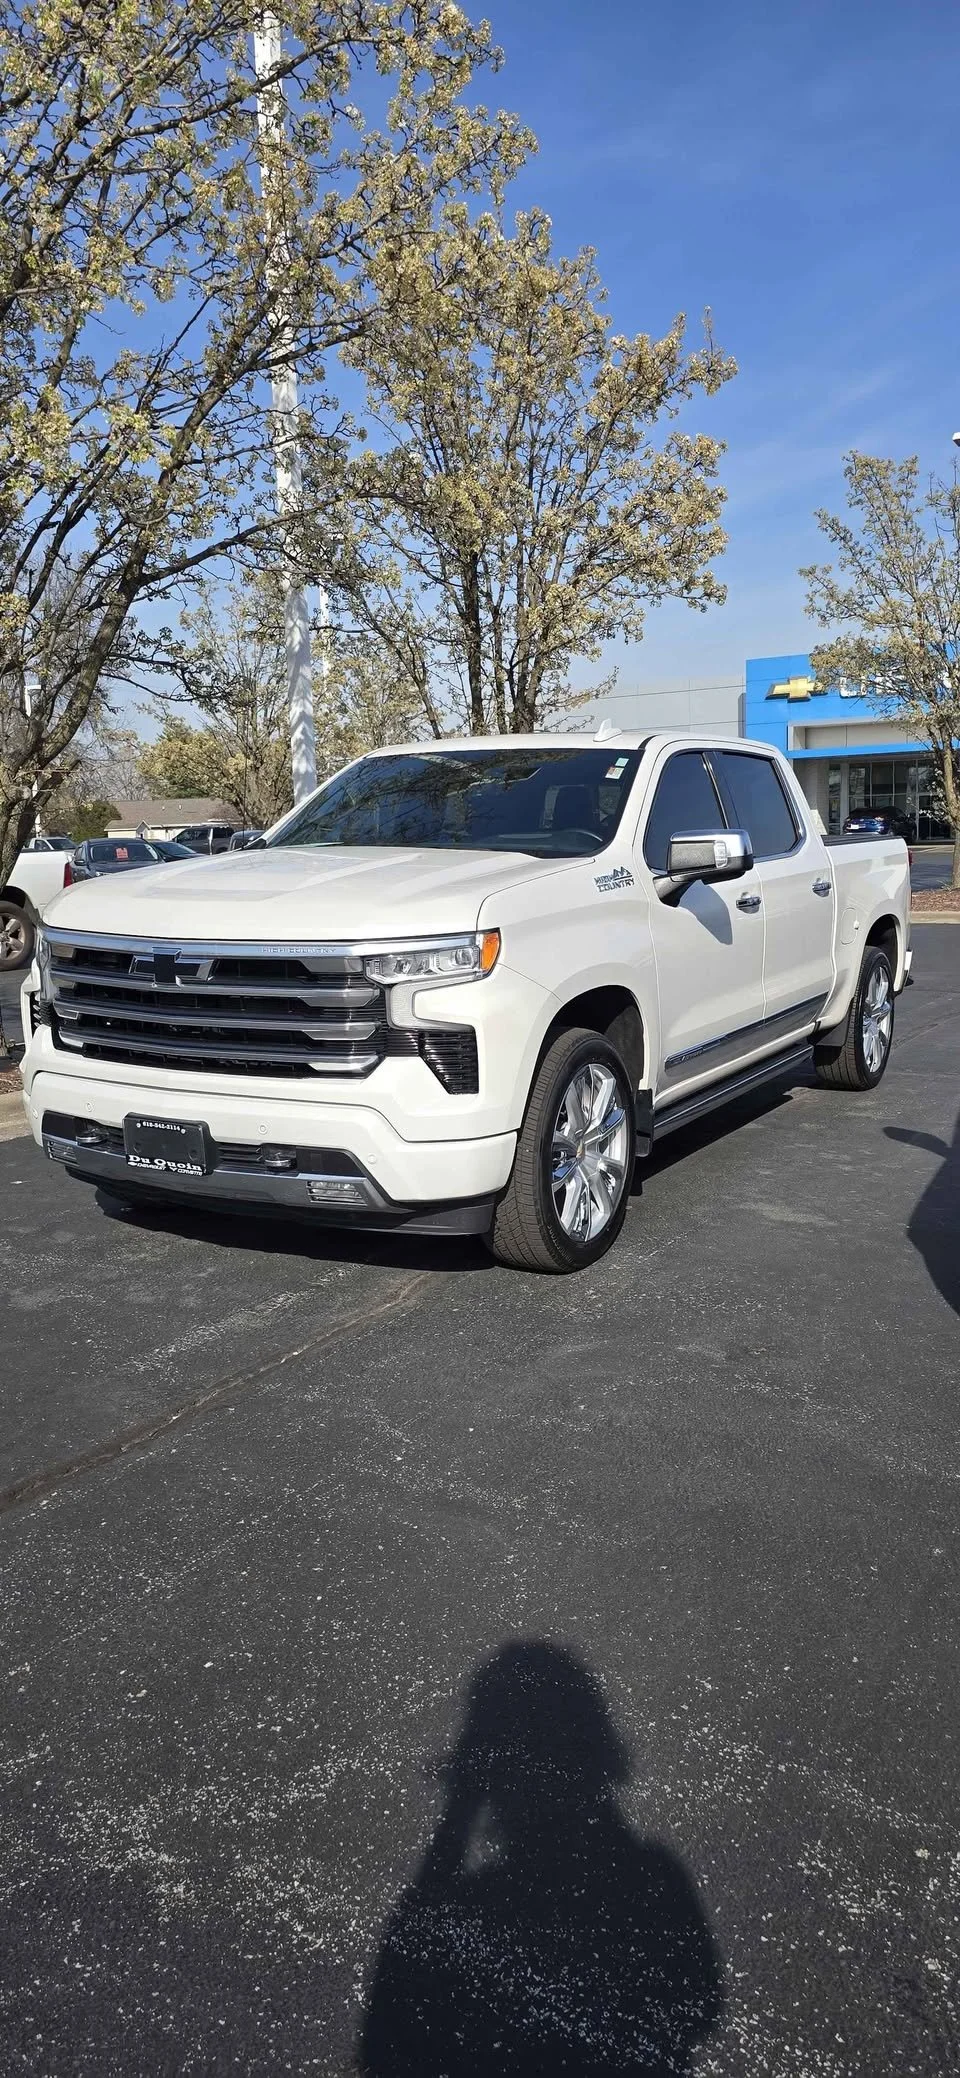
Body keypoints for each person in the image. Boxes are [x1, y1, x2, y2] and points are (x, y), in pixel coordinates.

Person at [360, 1641, 724, 2076]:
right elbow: (700, 2006)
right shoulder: (654, 1885)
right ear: (594, 1749)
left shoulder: (475, 1917)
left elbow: (387, 2040)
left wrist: (458, 1810)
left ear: (488, 1773)